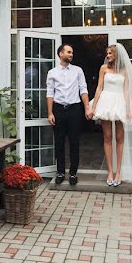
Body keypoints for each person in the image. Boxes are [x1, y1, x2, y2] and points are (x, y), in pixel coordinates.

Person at [91, 44, 132, 186]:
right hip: (106, 101)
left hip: (120, 101)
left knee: (120, 138)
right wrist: (94, 106)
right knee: (107, 137)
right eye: (107, 54)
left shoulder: (124, 70)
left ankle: (118, 172)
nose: (108, 56)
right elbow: (99, 87)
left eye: (110, 54)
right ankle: (110, 171)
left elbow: (126, 90)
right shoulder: (103, 68)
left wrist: (128, 109)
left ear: (116, 54)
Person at [46, 44, 92, 186]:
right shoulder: (52, 72)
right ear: (61, 54)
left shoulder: (78, 71)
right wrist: (50, 113)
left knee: (74, 142)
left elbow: (83, 89)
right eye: (69, 52)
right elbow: (50, 93)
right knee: (59, 142)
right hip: (58, 109)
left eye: (72, 52)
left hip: (74, 109)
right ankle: (60, 172)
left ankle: (73, 173)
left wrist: (87, 108)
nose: (71, 54)